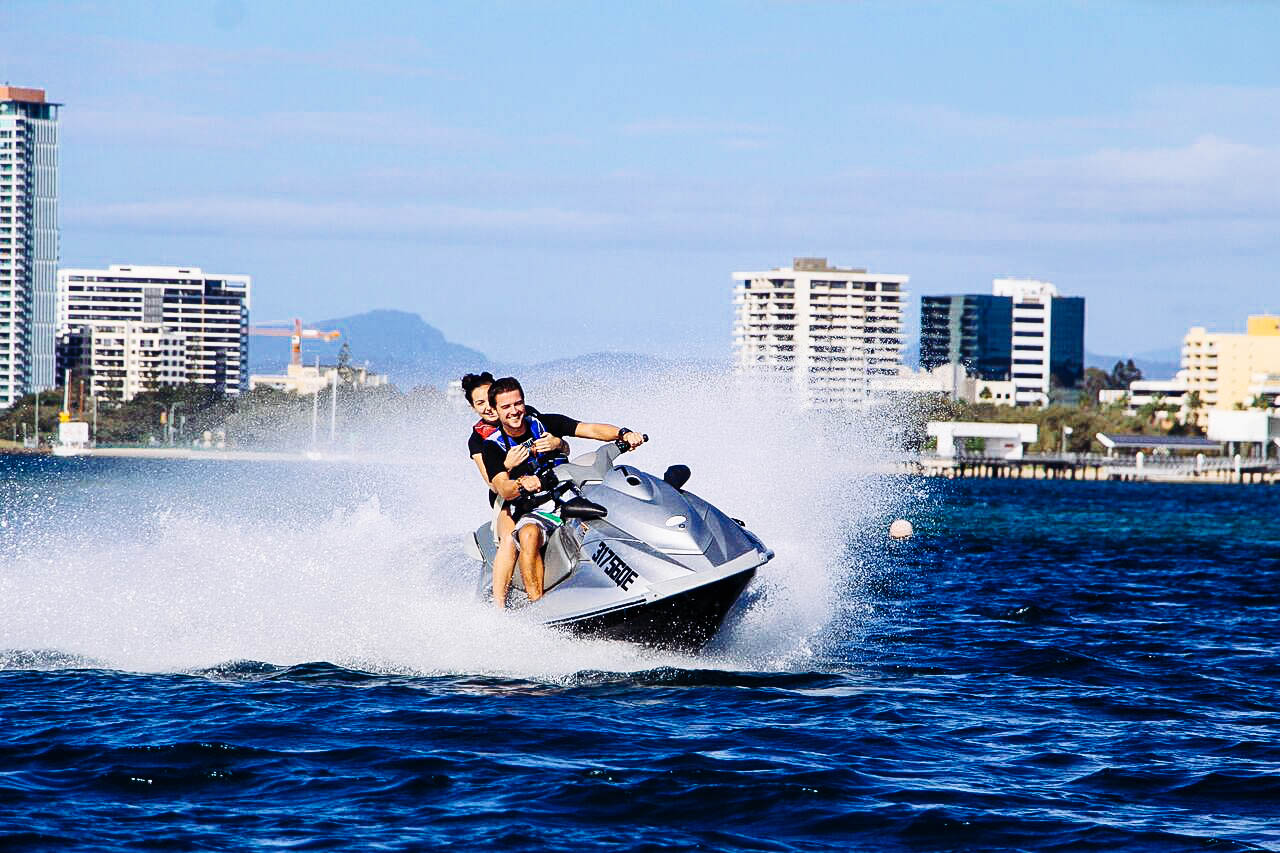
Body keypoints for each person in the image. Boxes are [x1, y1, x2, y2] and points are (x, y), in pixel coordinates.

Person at [481, 376, 645, 607]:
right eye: (506, 407)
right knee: (527, 535)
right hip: (537, 508)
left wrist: (624, 433)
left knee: (617, 503)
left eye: (517, 403)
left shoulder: (545, 424)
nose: (514, 411)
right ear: (496, 411)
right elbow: (501, 486)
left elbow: (590, 429)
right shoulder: (493, 446)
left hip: (572, 494)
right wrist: (521, 484)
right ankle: (538, 605)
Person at [460, 371, 540, 606]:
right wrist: (507, 464)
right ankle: (499, 605)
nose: (488, 407)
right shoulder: (478, 440)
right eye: (479, 403)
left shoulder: (524, 416)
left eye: (489, 399)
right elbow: (490, 481)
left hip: (542, 486)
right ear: (473, 407)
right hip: (505, 498)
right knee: (509, 538)